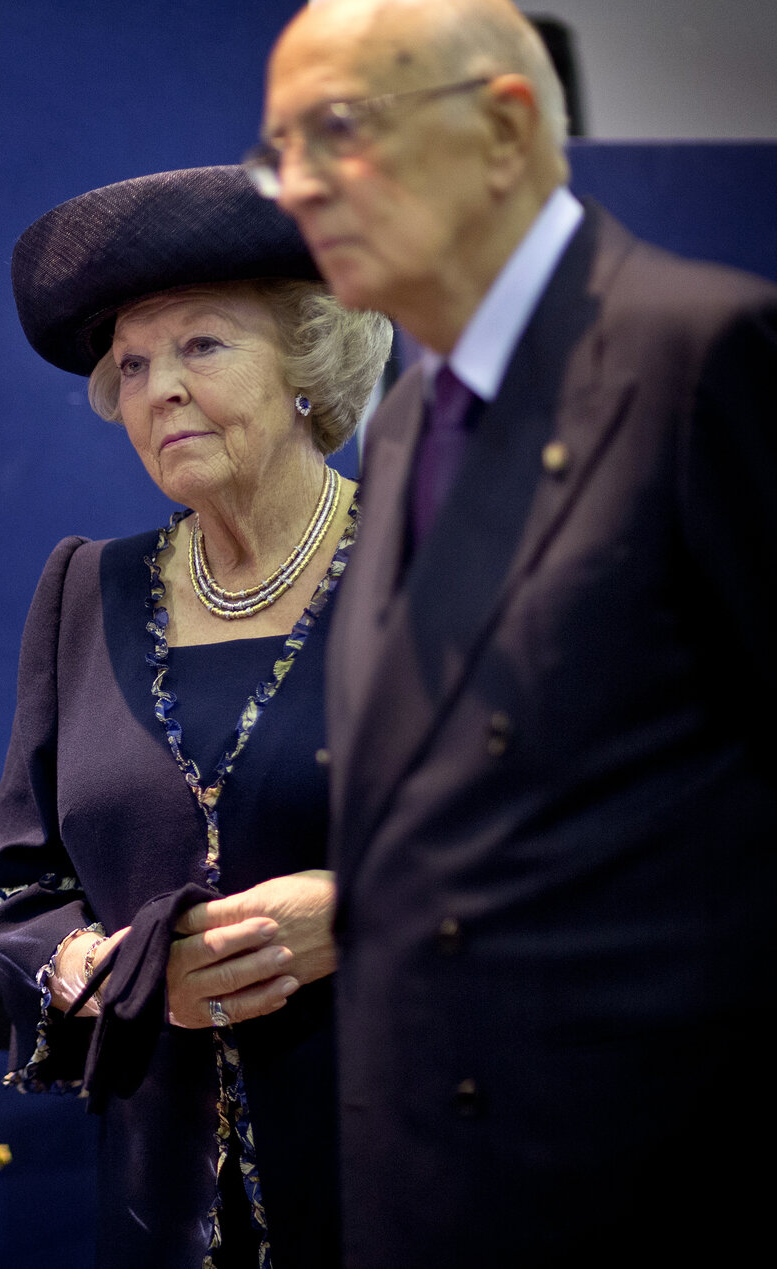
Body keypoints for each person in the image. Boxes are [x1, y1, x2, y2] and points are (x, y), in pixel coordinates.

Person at [247, 1, 777, 1264]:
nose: (300, 187)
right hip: (419, 1194)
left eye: (337, 130)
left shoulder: (702, 353)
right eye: (281, 152)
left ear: (503, 129)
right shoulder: (404, 422)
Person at [0, 165, 390, 1269]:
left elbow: (586, 850)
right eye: (134, 363)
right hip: (162, 1205)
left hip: (412, 1168)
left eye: (202, 347)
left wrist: (370, 911)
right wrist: (110, 973)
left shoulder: (440, 564)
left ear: (310, 361)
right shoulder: (83, 588)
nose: (155, 388)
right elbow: (11, 891)